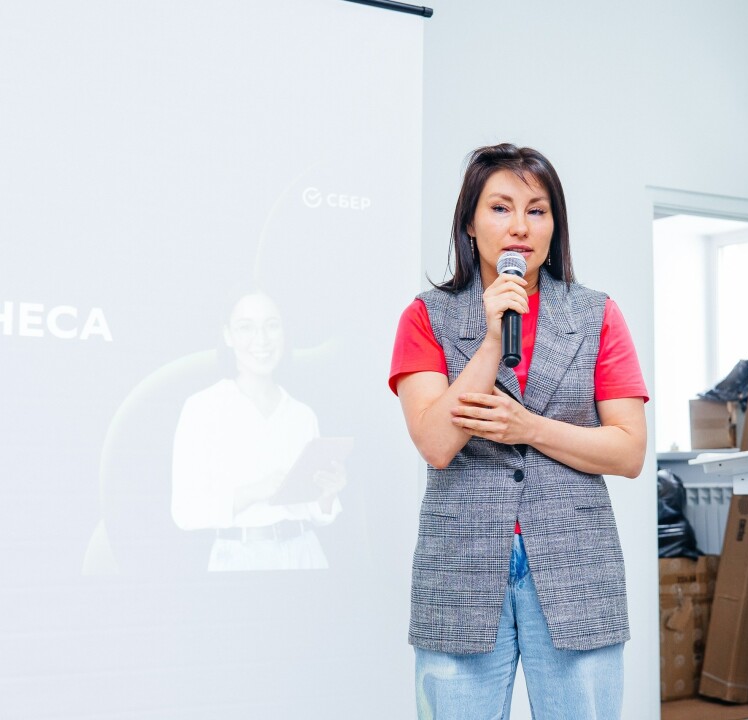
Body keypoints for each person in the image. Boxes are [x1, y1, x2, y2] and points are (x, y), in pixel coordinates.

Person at [389, 144, 648, 719]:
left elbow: (629, 451)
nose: (520, 227)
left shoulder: (598, 314)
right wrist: (489, 342)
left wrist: (528, 427)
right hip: (460, 566)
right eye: (501, 208)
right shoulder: (426, 316)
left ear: (555, 225)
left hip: (577, 563)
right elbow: (435, 443)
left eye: (537, 210)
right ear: (470, 223)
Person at [171, 289, 346, 570]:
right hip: (237, 559)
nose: (261, 339)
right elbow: (185, 512)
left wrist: (328, 492)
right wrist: (253, 492)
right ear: (227, 335)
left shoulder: (302, 414)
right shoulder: (202, 408)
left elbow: (316, 512)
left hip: (305, 556)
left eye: (272, 325)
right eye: (246, 327)